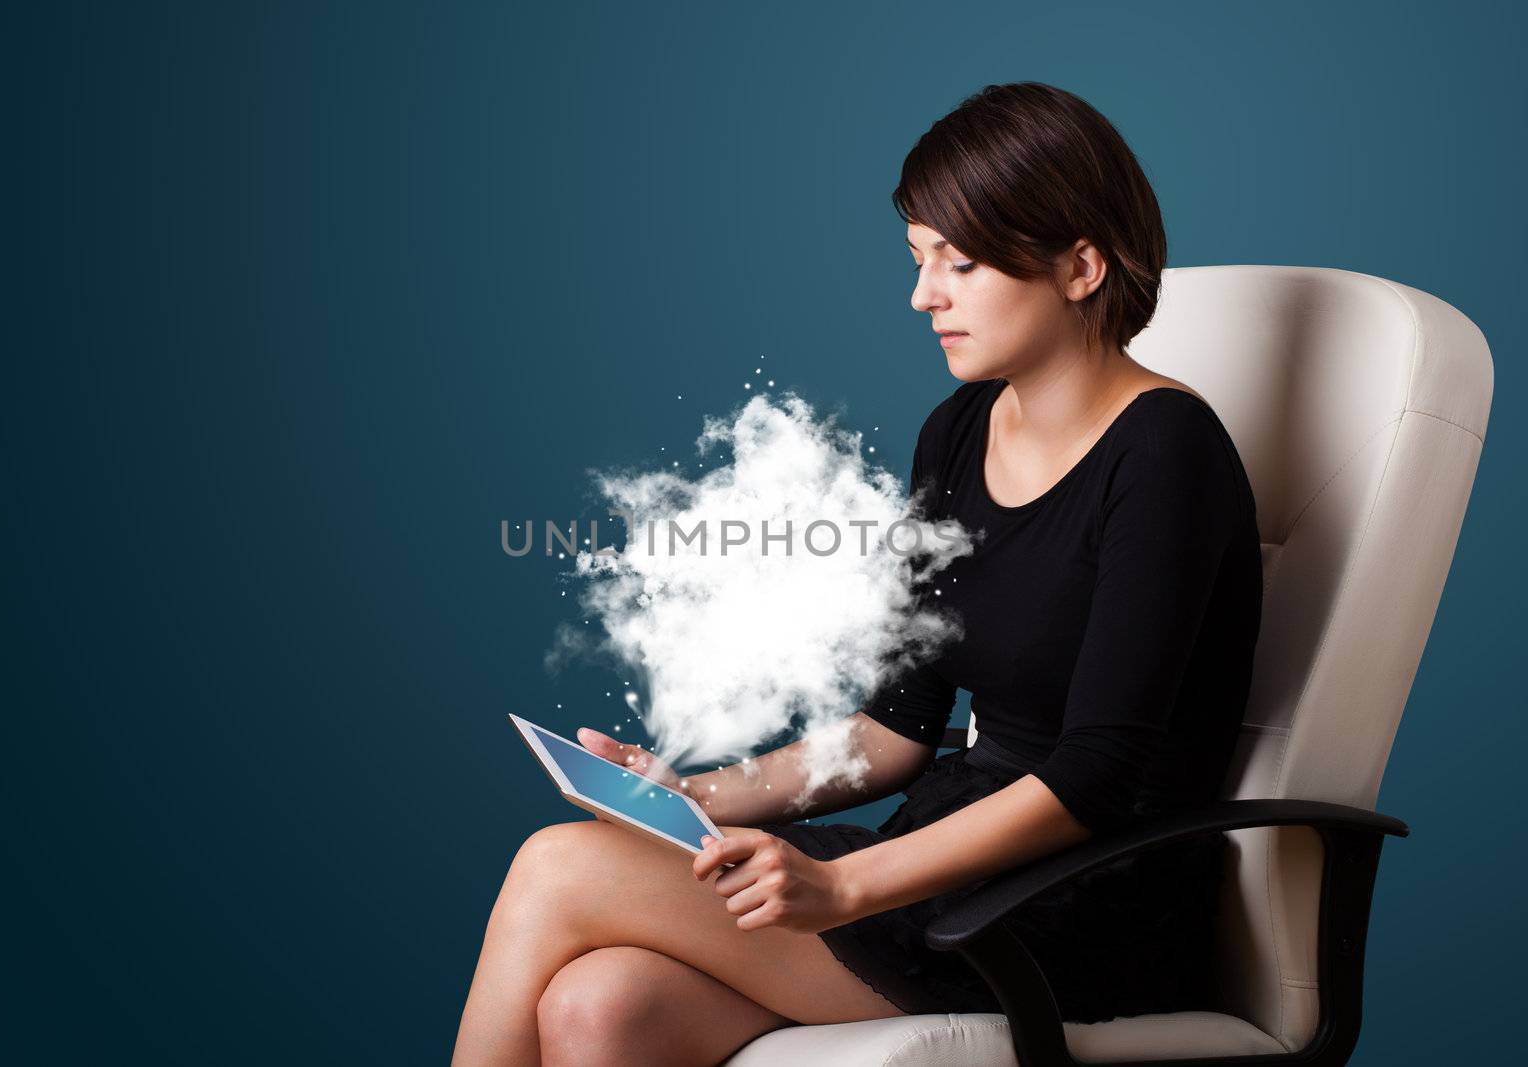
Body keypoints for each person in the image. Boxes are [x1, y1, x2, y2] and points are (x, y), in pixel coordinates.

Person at [451, 81, 1263, 1066]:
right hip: (934, 856)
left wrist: (842, 887)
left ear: (1081, 265)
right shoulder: (958, 430)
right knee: (601, 1005)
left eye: (958, 262)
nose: (924, 296)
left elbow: (1094, 776)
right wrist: (687, 792)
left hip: (1076, 904)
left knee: (555, 868)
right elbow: (894, 729)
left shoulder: (1166, 451)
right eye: (920, 261)